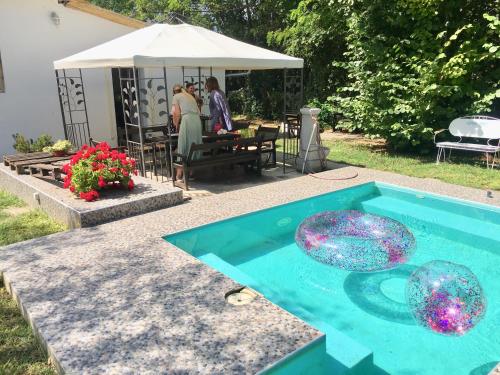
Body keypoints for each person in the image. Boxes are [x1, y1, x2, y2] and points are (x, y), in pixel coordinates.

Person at [171, 84, 202, 180]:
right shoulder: (190, 96)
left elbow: (176, 113)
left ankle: (179, 175)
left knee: (182, 146)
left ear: (174, 92)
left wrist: (176, 125)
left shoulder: (176, 96)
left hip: (187, 120)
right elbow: (198, 112)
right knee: (194, 145)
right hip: (197, 121)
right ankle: (191, 173)